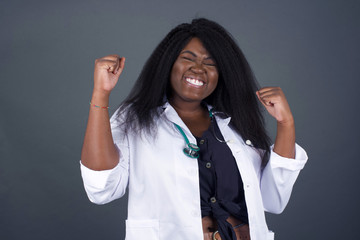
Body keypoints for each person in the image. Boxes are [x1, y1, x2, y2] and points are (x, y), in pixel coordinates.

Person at [80, 18, 308, 240]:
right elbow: (100, 188)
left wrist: (286, 124)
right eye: (188, 59)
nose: (198, 69)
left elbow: (273, 199)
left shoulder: (235, 124)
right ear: (168, 64)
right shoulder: (135, 118)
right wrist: (101, 93)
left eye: (210, 63)